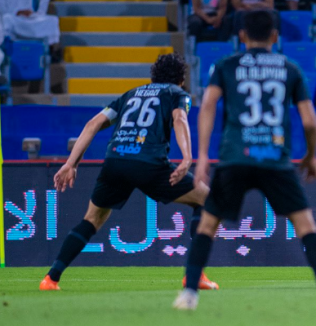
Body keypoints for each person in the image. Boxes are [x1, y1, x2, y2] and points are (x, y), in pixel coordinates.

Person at [173, 11, 316, 311]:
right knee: (305, 225)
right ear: (274, 36)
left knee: (207, 225)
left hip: (234, 158)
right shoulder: (289, 68)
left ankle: (189, 294)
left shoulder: (226, 65)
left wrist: (202, 156)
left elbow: (207, 107)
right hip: (275, 159)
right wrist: (310, 156)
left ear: (241, 35)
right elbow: (309, 121)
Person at [39, 54, 218, 292]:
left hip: (115, 162)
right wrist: (186, 157)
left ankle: (50, 279)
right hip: (148, 163)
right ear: (181, 80)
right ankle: (195, 275)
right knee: (207, 199)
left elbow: (92, 124)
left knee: (92, 219)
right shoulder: (177, 94)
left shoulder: (129, 95)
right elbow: (179, 118)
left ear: (153, 76)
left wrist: (71, 163)